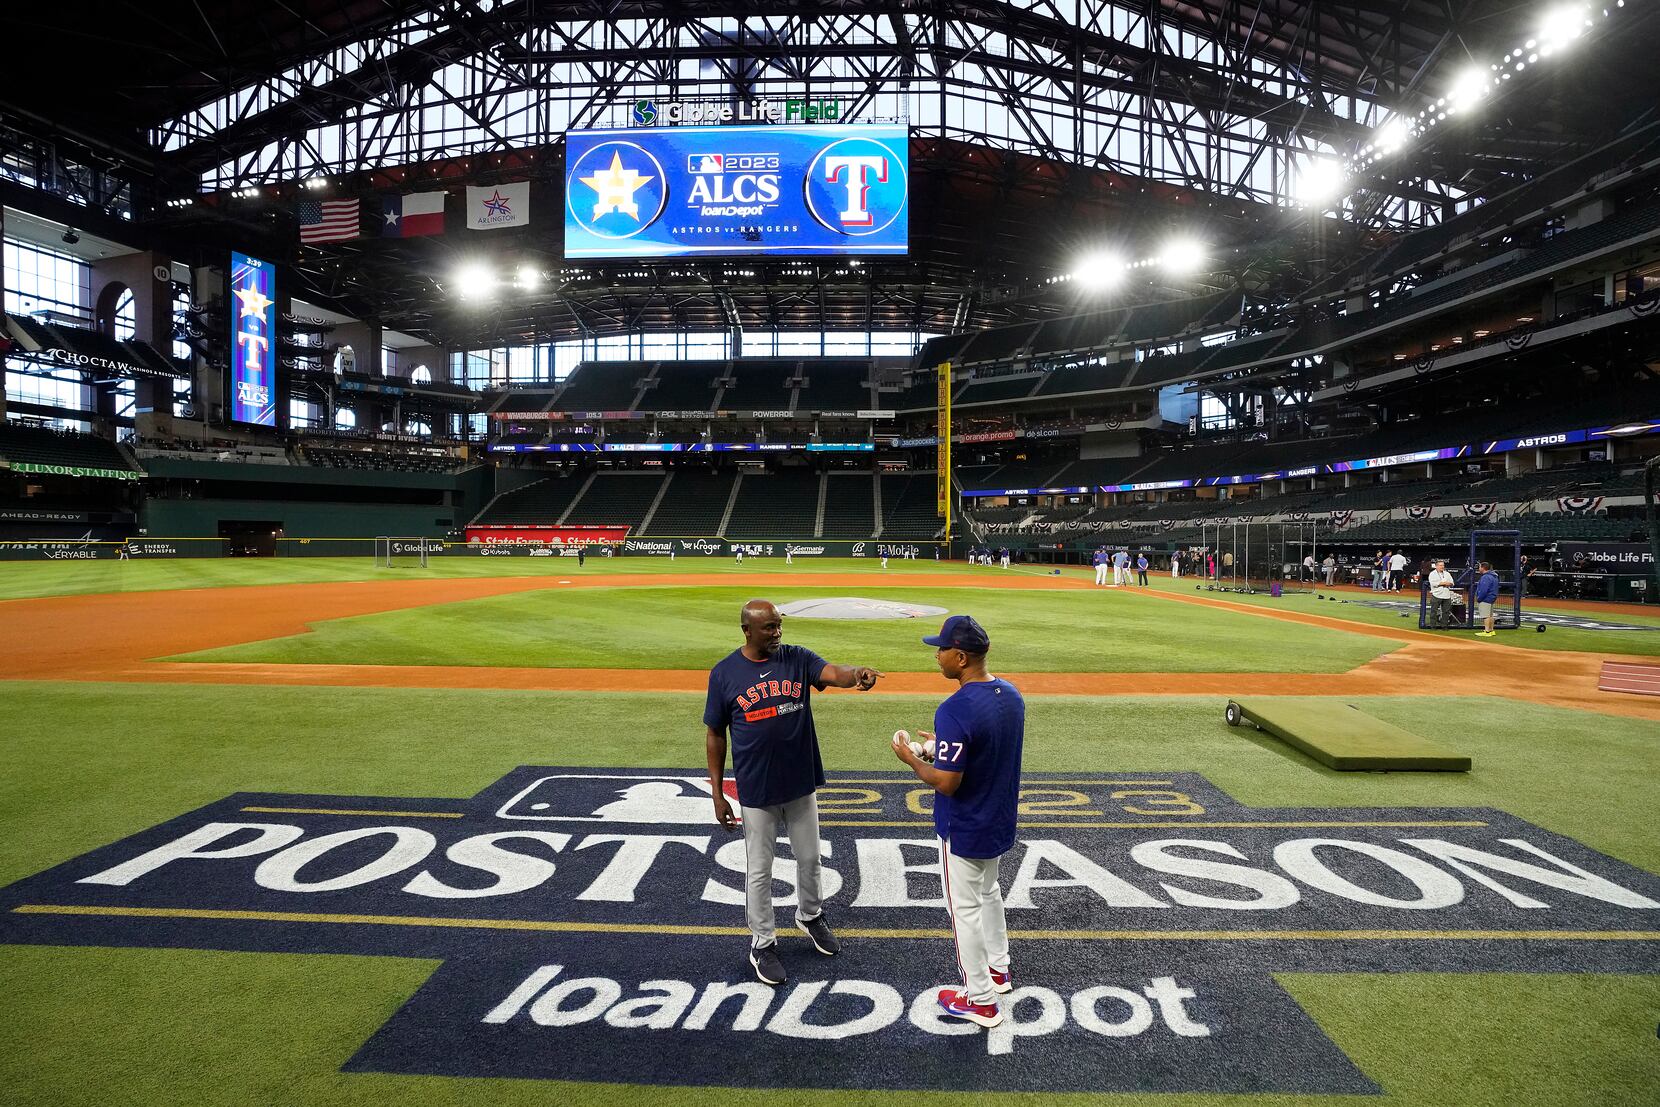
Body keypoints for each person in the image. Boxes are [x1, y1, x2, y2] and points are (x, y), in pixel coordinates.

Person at [704, 600, 884, 985]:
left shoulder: (797, 659)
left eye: (778, 625)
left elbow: (833, 672)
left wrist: (857, 674)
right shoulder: (724, 674)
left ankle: (810, 915)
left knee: (810, 858)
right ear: (747, 631)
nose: (777, 633)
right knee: (759, 872)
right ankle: (763, 942)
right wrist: (718, 793)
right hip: (757, 788)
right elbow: (715, 734)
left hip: (800, 782)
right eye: (769, 627)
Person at [891, 614, 1024, 1029]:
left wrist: (912, 759)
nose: (937, 655)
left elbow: (948, 784)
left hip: (964, 825)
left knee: (963, 909)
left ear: (961, 657)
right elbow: (986, 748)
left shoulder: (954, 708)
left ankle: (981, 1000)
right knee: (989, 894)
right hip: (998, 819)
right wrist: (938, 748)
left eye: (942, 649)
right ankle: (999, 971)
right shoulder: (1012, 695)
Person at [1427, 558, 1456, 629]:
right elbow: (1433, 584)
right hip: (1436, 594)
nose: (1442, 567)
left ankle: (1444, 626)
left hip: (1446, 595)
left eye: (1443, 565)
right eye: (1440, 565)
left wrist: (1445, 583)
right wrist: (1444, 583)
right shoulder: (1432, 574)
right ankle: (1433, 626)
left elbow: (1452, 583)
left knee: (1446, 612)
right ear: (1436, 566)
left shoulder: (1447, 573)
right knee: (1434, 611)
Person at [1474, 561, 1501, 637]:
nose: (1479, 569)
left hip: (1485, 598)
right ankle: (1491, 630)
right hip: (1491, 597)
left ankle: (1487, 631)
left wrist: (1479, 598)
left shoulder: (1486, 577)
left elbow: (1484, 590)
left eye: (1479, 567)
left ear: (1483, 568)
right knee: (1490, 615)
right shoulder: (1493, 576)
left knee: (1486, 616)